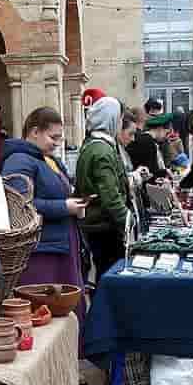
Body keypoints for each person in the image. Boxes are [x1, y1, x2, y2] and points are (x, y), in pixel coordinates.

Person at [2, 107, 88, 323]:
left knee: (64, 307)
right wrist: (64, 207)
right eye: (53, 137)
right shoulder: (18, 160)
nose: (57, 143)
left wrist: (75, 204)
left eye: (59, 137)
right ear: (34, 132)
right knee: (46, 309)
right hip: (42, 250)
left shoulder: (47, 159)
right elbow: (18, 205)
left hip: (60, 242)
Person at [75, 97, 132, 277]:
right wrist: (129, 223)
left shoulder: (94, 145)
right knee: (108, 275)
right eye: (120, 118)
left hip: (97, 223)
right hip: (103, 226)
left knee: (103, 273)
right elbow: (110, 196)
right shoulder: (101, 150)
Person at [127, 112, 172, 180]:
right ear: (160, 128)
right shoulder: (149, 142)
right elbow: (151, 172)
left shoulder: (142, 138)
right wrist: (165, 172)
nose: (166, 137)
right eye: (166, 133)